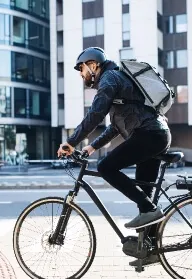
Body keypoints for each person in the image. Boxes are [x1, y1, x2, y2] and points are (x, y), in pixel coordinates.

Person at [57, 47, 171, 266]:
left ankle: (149, 211)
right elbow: (116, 126)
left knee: (106, 167)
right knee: (145, 197)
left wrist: (70, 142)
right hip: (155, 134)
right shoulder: (116, 79)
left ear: (93, 65)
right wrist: (91, 146)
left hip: (149, 135)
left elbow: (95, 114)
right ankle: (150, 251)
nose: (81, 75)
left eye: (81, 69)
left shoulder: (109, 79)